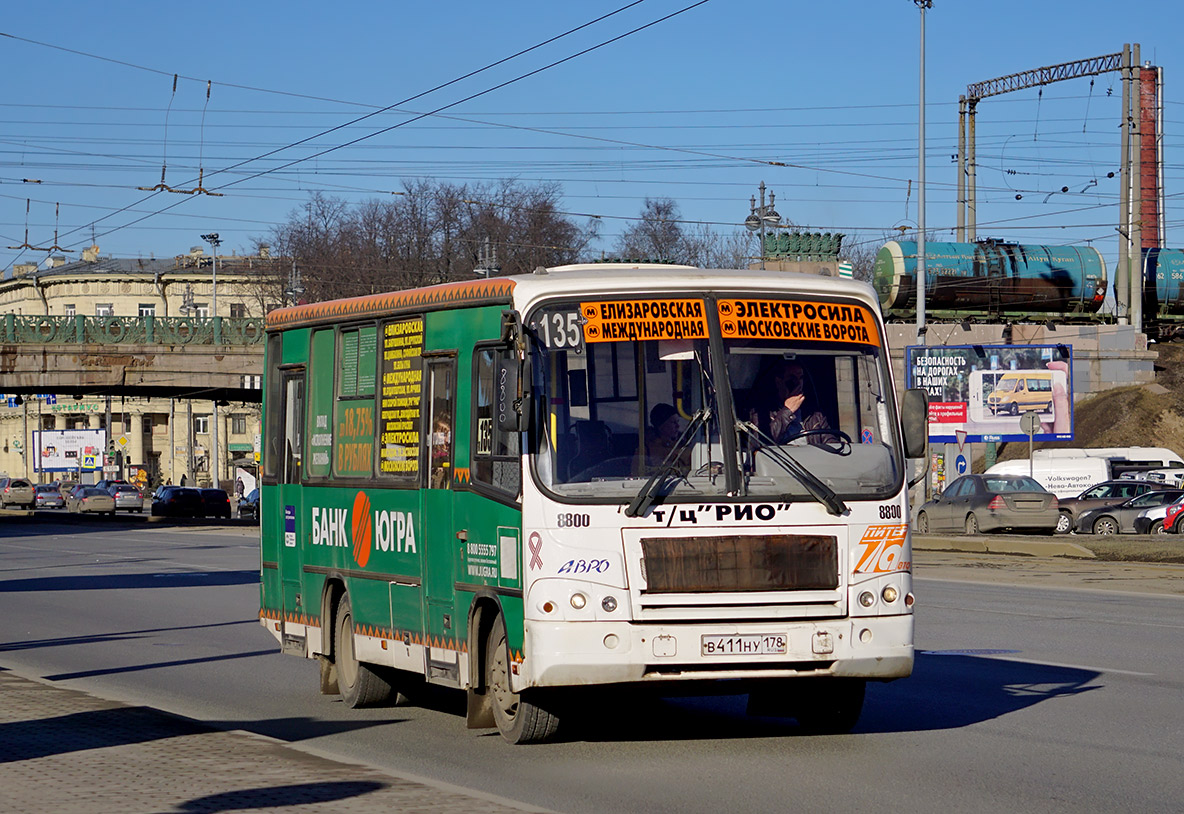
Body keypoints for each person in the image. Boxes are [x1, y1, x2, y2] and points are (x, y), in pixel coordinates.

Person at [754, 360, 833, 446]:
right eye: (792, 379)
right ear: (779, 381)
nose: (798, 384)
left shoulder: (814, 415)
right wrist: (787, 411)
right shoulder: (762, 413)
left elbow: (830, 442)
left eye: (801, 378)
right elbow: (762, 443)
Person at [639, 403, 691, 474]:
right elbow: (637, 476)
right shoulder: (645, 450)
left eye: (677, 422)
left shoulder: (684, 447)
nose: (678, 426)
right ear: (661, 426)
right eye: (673, 422)